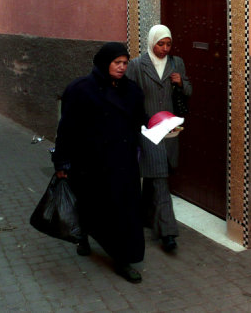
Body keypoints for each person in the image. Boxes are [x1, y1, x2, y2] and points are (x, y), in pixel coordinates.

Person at [51, 42, 147, 283]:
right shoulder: (81, 89)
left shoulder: (132, 90)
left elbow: (140, 119)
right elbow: (66, 129)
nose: (122, 68)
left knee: (124, 213)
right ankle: (82, 236)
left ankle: (123, 260)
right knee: (89, 204)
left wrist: (160, 126)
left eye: (125, 63)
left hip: (123, 163)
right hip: (91, 164)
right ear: (105, 63)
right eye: (117, 63)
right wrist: (61, 163)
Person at [126, 25, 192, 253]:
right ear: (151, 42)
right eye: (160, 44)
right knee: (161, 178)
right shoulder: (136, 65)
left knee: (158, 174)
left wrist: (181, 83)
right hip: (148, 130)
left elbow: (190, 91)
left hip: (171, 130)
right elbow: (128, 95)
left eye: (168, 44)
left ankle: (144, 216)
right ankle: (168, 233)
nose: (164, 49)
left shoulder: (177, 63)